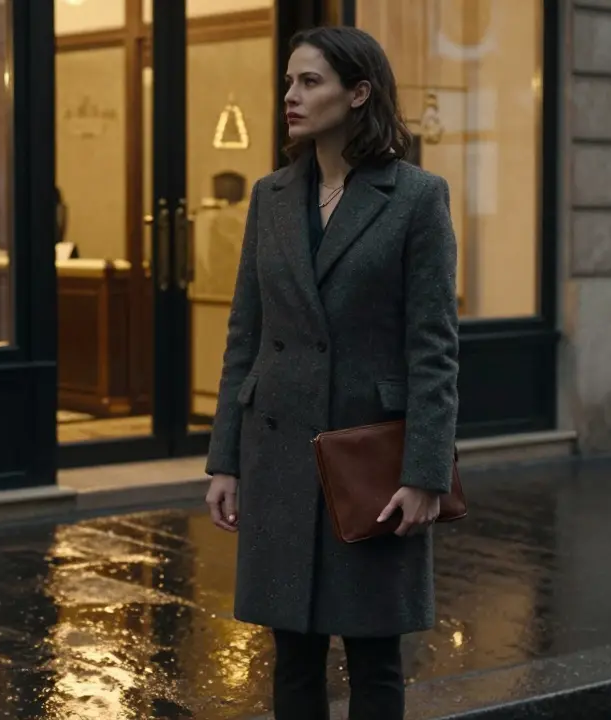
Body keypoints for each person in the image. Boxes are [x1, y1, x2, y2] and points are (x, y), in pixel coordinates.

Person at [203, 26, 459, 720]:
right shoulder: (272, 195)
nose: (290, 95)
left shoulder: (415, 198)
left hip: (368, 457)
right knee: (292, 654)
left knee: (374, 656)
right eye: (288, 81)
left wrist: (425, 472)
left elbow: (433, 347)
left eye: (309, 81)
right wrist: (225, 459)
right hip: (280, 448)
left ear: (359, 93)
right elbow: (245, 334)